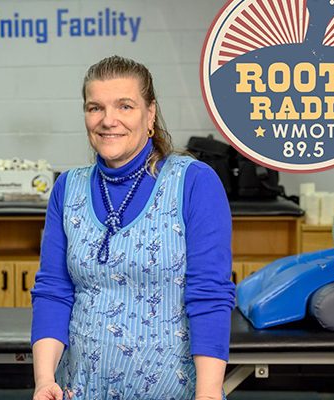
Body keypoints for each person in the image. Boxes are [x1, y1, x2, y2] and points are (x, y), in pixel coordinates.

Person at [31, 56, 236, 400]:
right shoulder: (68, 188)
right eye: (95, 107)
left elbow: (210, 296)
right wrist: (43, 379)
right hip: (79, 389)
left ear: (150, 113)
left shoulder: (193, 182)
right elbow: (54, 291)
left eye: (124, 106)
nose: (108, 120)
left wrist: (210, 393)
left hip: (174, 391)